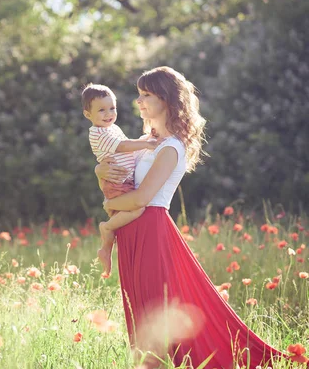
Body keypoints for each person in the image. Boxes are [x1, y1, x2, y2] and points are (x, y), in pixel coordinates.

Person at [95, 66, 301, 368]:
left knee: (154, 311)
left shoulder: (171, 147)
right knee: (139, 313)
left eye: (146, 95)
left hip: (151, 230)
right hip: (131, 231)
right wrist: (99, 170)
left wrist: (106, 210)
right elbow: (115, 175)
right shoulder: (146, 141)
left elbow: (141, 197)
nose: (138, 101)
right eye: (139, 95)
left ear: (165, 99)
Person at [81, 83, 161, 276]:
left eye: (112, 108)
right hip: (116, 182)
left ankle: (106, 248)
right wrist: (148, 144)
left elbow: (129, 148)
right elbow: (124, 147)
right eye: (101, 110)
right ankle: (106, 229)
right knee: (136, 208)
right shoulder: (98, 133)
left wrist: (145, 140)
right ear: (87, 115)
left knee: (123, 217)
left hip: (122, 180)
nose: (109, 113)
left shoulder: (111, 128)